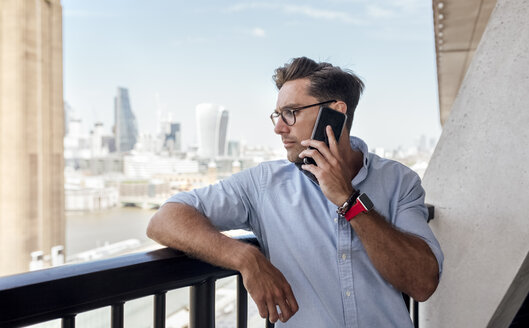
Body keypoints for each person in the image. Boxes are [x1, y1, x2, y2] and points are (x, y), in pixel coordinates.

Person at [147, 57, 443, 327]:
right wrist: (245, 258)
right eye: (277, 115)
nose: (279, 128)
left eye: (290, 113)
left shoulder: (399, 181)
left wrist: (348, 199)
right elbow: (164, 219)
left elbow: (422, 283)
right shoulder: (263, 183)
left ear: (335, 113)